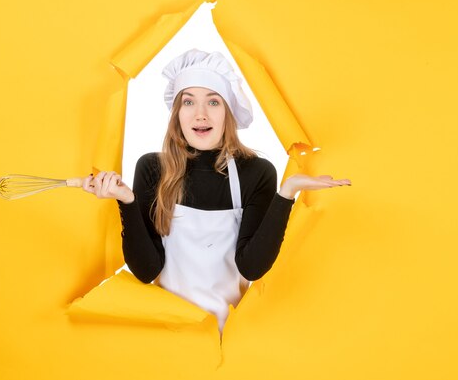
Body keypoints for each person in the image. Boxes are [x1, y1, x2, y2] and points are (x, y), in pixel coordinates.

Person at [82, 49, 350, 330]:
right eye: (189, 102)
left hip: (230, 337)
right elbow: (146, 270)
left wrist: (286, 195)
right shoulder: (152, 168)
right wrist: (127, 201)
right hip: (167, 331)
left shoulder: (256, 173)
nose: (200, 114)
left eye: (213, 101)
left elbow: (252, 268)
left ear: (228, 112)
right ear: (177, 113)